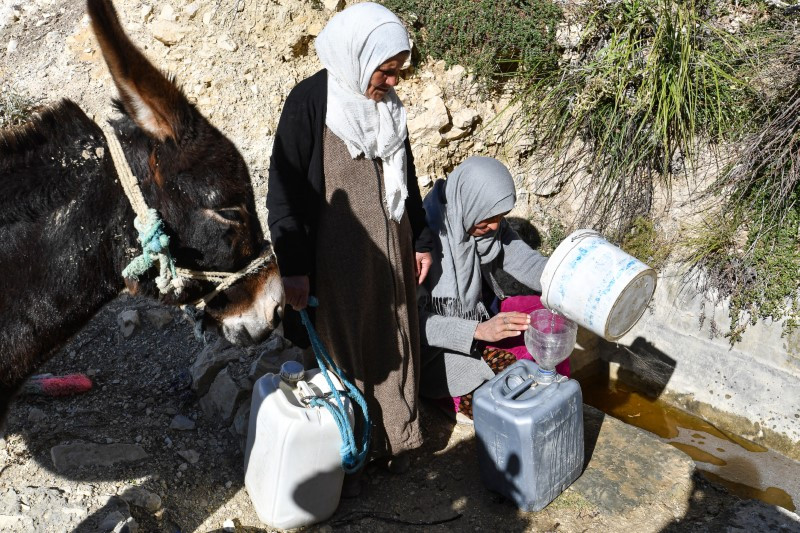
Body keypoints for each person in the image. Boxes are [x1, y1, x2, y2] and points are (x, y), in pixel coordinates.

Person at [266, 2, 434, 476]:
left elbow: (408, 178)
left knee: (394, 340)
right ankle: (347, 456)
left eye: (398, 72)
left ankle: (394, 442)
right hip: (336, 262)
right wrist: (295, 268)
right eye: (386, 71)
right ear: (358, 57)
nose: (393, 82)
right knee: (347, 354)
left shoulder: (388, 107)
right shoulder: (309, 103)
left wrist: (420, 240)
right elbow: (284, 193)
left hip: (393, 251)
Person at [417, 156, 569, 421]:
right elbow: (412, 324)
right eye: (490, 218)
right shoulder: (422, 241)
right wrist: (478, 330)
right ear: (470, 202)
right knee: (505, 399)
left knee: (550, 315)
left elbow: (522, 258)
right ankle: (449, 398)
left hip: (478, 326)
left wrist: (563, 281)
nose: (496, 226)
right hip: (434, 352)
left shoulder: (479, 219)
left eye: (501, 218)